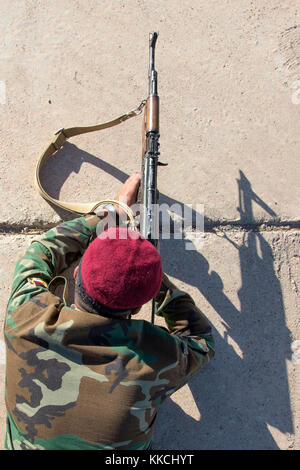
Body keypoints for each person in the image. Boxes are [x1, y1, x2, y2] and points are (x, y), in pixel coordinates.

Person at [3, 174, 215, 450]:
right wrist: (149, 274)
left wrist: (110, 215)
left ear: (77, 272)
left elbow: (42, 251)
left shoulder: (25, 317)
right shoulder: (157, 360)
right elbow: (202, 340)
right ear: (139, 307)